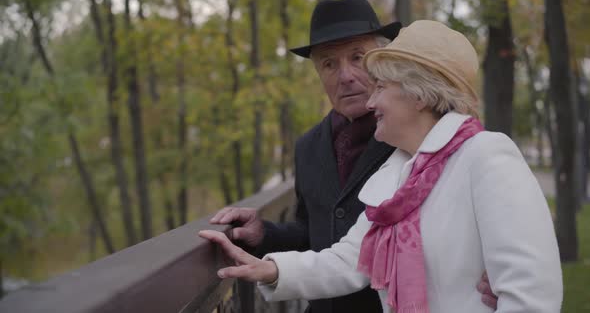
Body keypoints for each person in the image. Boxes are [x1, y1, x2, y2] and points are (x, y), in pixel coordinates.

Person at [201, 20, 563, 313]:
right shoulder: (398, 172)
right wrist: (271, 269)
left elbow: (531, 296)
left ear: (418, 93)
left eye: (382, 87)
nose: (370, 101)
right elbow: (349, 260)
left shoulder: (486, 156)